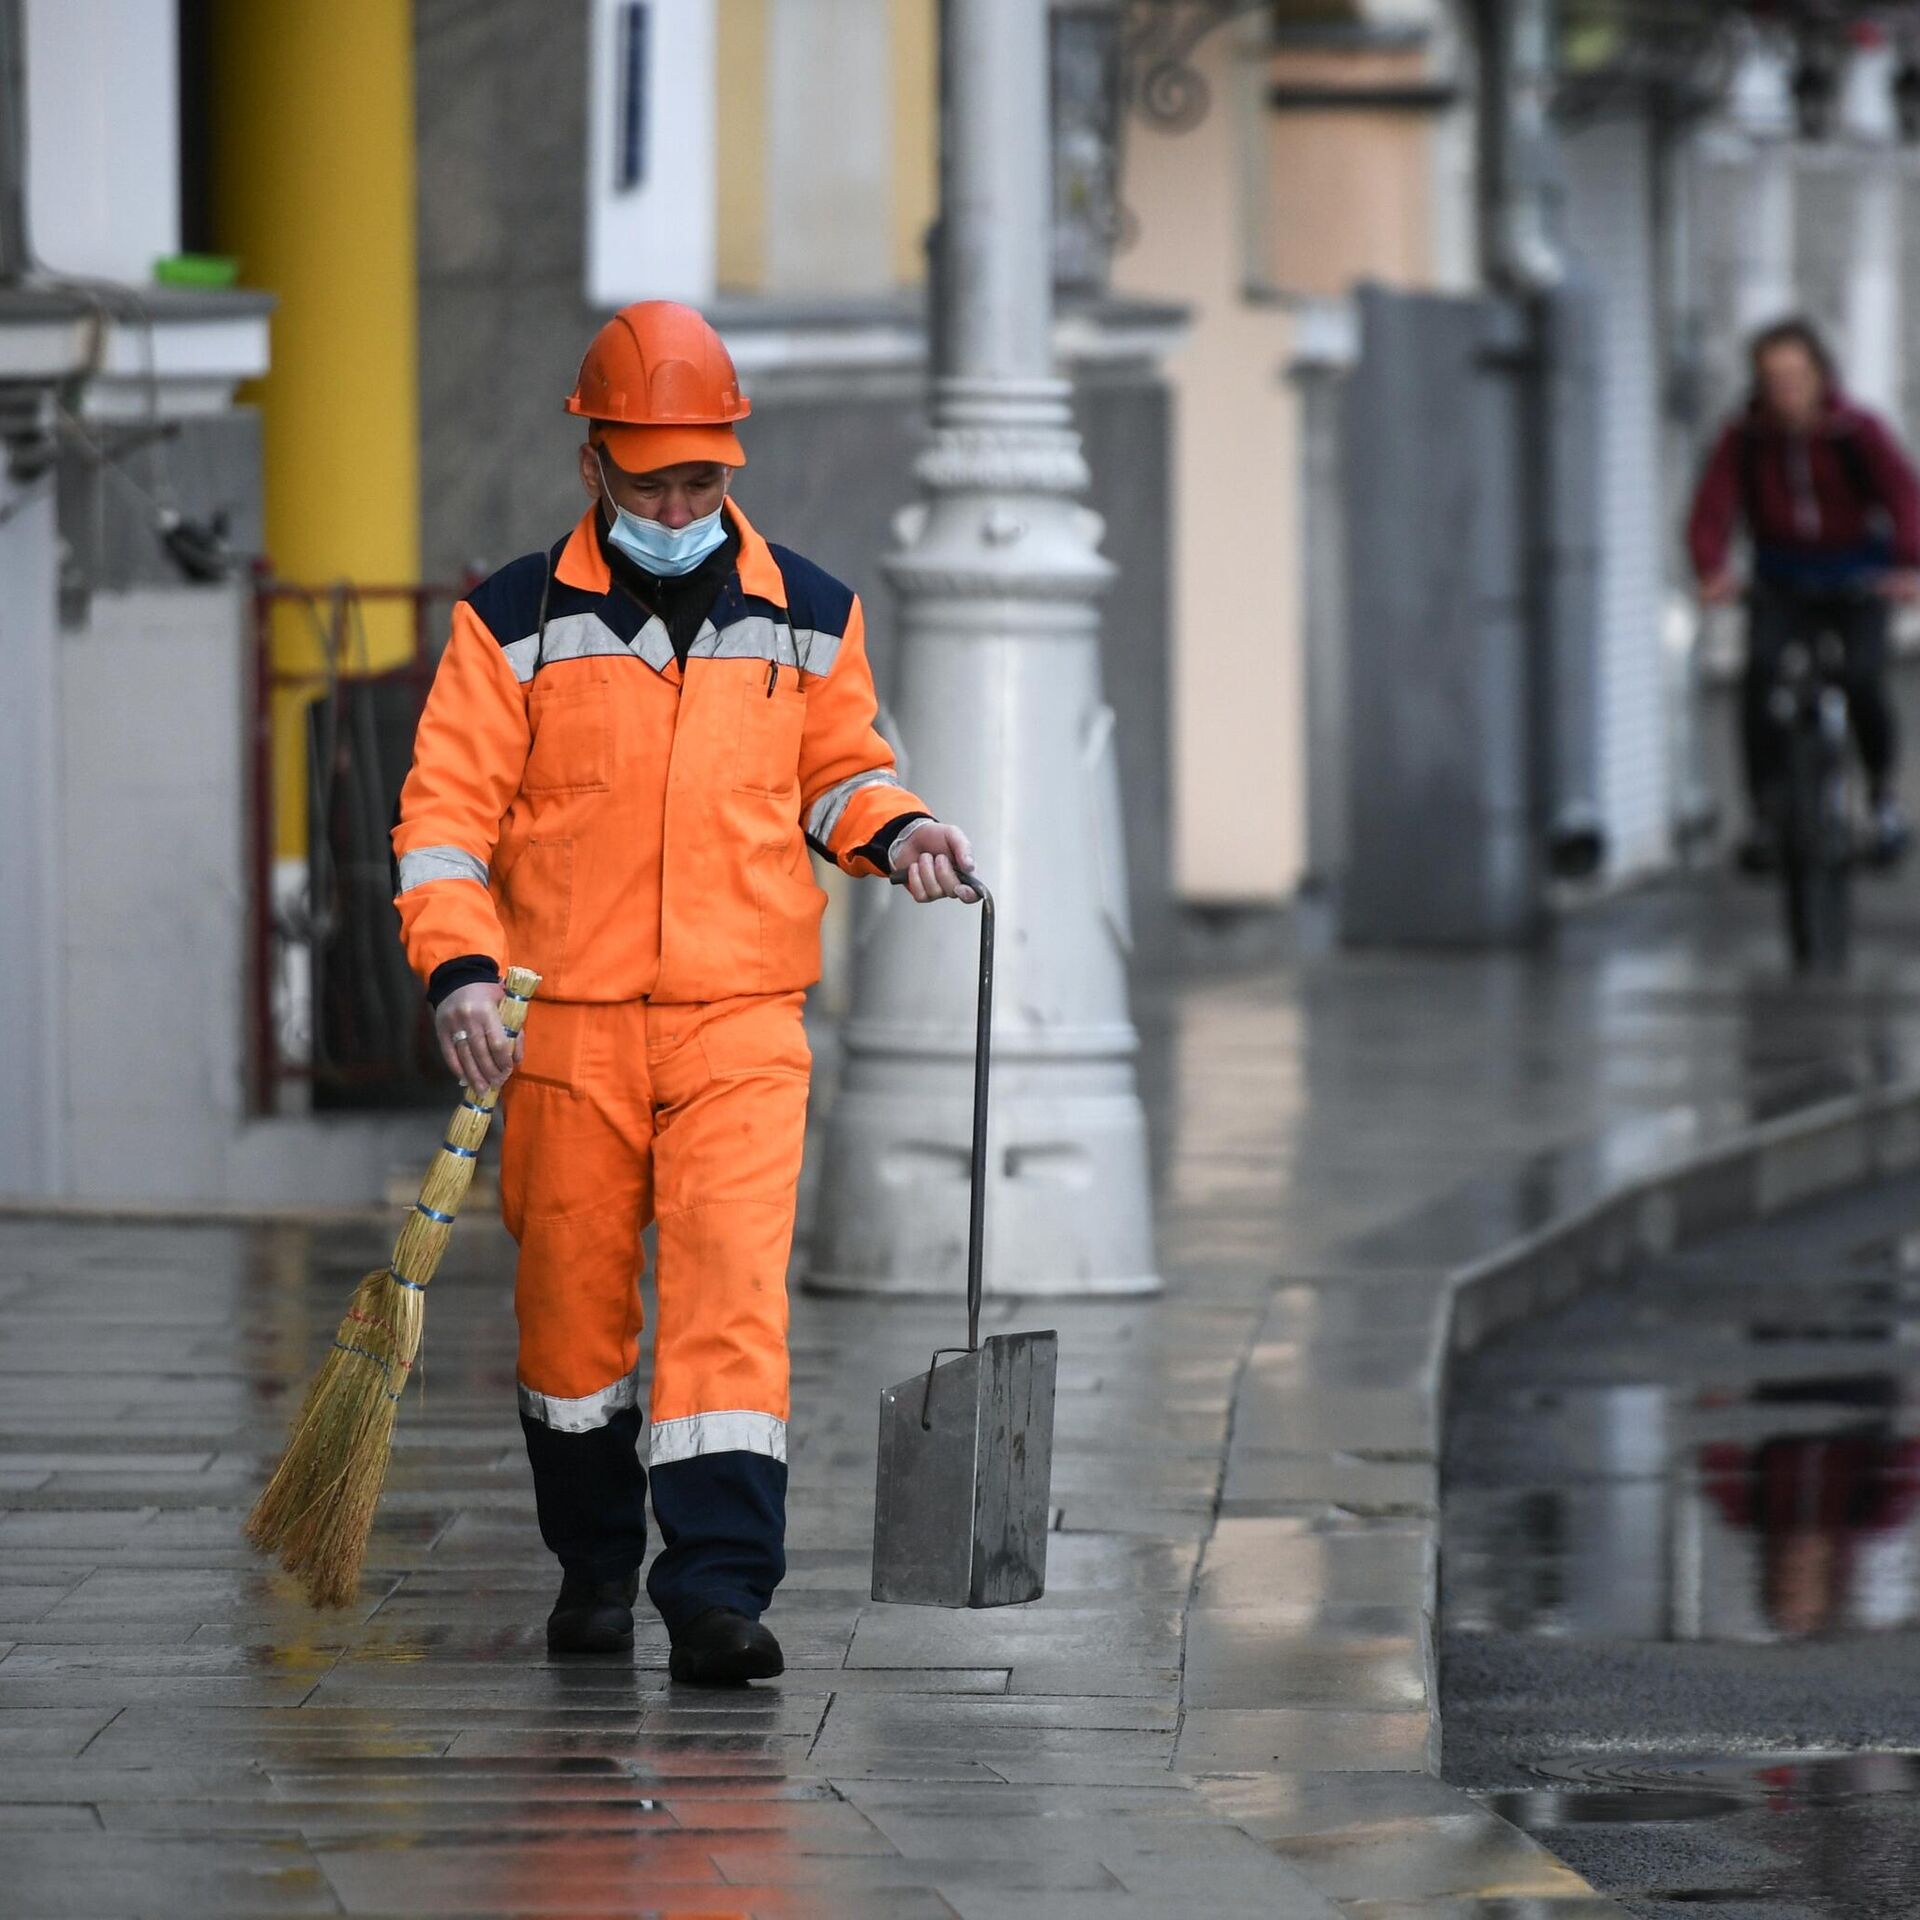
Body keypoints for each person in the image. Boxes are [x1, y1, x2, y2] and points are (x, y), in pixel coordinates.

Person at [391, 301, 976, 1682]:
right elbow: (444, 823)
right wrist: (460, 975)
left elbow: (842, 768)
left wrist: (901, 832)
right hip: (566, 1028)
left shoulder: (811, 614)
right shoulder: (511, 623)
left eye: (701, 477)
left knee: (727, 1299)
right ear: (593, 463)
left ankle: (717, 1593)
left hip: (741, 1020)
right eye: (651, 476)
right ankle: (594, 1567)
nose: (678, 501)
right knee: (573, 1318)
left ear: (730, 467)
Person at [1687, 315, 1920, 868]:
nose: (1786, 391)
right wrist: (1711, 568)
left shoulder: (1856, 432)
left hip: (1856, 577)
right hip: (1782, 580)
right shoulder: (1744, 439)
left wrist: (1910, 566)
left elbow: (1903, 496)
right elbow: (1711, 509)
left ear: (1820, 376)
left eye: (1796, 377)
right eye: (1773, 380)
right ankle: (1766, 811)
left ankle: (1883, 800)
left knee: (1863, 678)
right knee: (1762, 675)